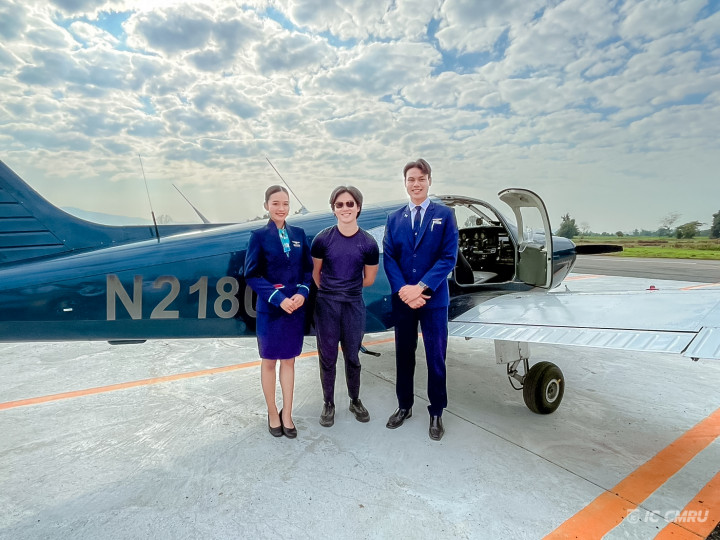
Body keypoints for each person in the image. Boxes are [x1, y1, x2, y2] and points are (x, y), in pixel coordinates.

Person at [383, 159, 458, 441]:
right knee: (404, 355)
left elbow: (448, 257)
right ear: (405, 183)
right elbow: (389, 257)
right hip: (404, 300)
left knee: (436, 357)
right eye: (411, 179)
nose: (416, 184)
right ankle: (404, 405)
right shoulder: (394, 218)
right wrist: (404, 290)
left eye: (421, 178)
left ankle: (436, 411)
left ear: (429, 181)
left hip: (433, 300)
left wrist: (422, 288)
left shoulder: (445, 215)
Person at [244, 185, 313, 439]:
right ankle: (273, 412)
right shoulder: (259, 236)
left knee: (289, 361)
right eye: (275, 203)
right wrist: (278, 299)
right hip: (271, 311)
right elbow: (252, 274)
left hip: (294, 308)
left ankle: (288, 414)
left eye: (285, 203)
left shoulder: (299, 234)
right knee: (269, 361)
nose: (281, 208)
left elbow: (307, 270)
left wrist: (302, 293)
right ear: (266, 206)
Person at [311, 186, 379, 427]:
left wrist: (347, 289)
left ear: (358, 207)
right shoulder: (322, 239)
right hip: (327, 305)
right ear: (333, 209)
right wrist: (332, 291)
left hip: (353, 305)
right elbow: (316, 274)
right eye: (339, 204)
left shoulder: (368, 243)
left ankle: (355, 400)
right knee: (327, 357)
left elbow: (369, 279)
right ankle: (328, 403)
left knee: (352, 356)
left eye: (350, 203)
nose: (345, 208)